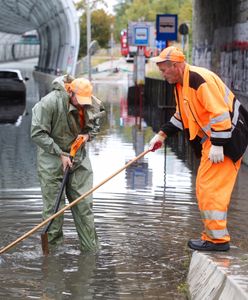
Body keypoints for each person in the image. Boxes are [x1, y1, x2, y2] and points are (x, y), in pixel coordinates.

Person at [149, 46, 245, 251]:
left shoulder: (198, 80)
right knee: (204, 188)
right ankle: (211, 236)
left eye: (164, 70)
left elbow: (219, 114)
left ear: (175, 66)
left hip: (226, 140)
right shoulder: (181, 83)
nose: (162, 74)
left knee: (211, 190)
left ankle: (218, 241)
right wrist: (162, 134)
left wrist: (219, 145)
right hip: (215, 140)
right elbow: (182, 116)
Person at [31, 75, 105, 252]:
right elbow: (37, 133)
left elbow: (97, 121)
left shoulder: (90, 102)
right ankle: (52, 257)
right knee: (54, 212)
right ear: (70, 92)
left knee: (84, 205)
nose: (82, 105)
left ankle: (91, 252)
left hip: (78, 158)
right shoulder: (49, 103)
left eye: (85, 102)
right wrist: (60, 153)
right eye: (79, 101)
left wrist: (87, 135)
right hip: (52, 159)